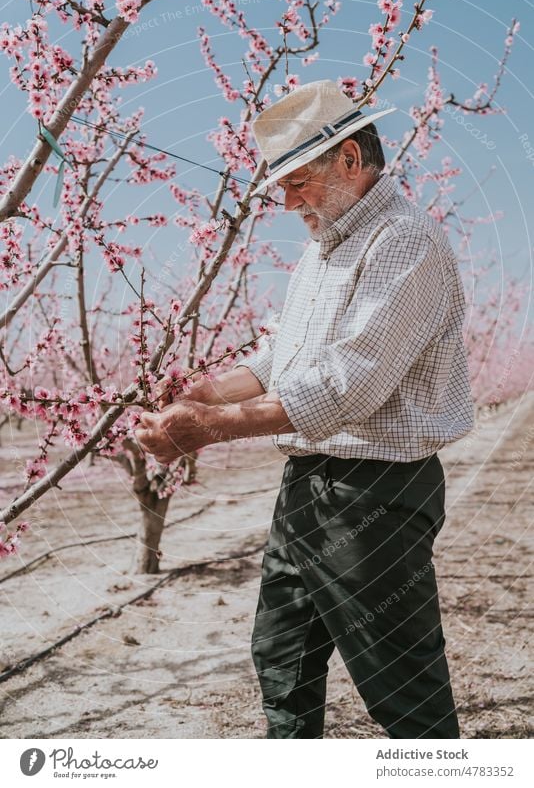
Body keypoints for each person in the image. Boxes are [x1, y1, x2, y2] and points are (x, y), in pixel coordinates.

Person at [135, 79, 475, 738]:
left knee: (401, 685)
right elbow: (280, 357)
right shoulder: (326, 250)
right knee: (281, 655)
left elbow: (346, 383)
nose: (287, 203)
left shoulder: (402, 240)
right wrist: (205, 393)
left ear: (350, 158)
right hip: (308, 487)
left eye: (297, 182)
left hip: (373, 490)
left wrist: (207, 430)